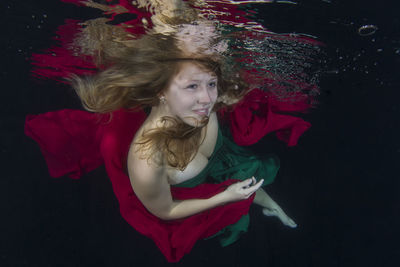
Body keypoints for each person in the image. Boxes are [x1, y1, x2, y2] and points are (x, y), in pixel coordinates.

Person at [26, 1, 319, 262]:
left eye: (211, 84)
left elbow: (231, 168)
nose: (208, 99)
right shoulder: (147, 158)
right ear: (160, 92)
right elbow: (164, 211)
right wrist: (224, 198)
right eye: (192, 86)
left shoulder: (199, 107)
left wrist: (269, 203)